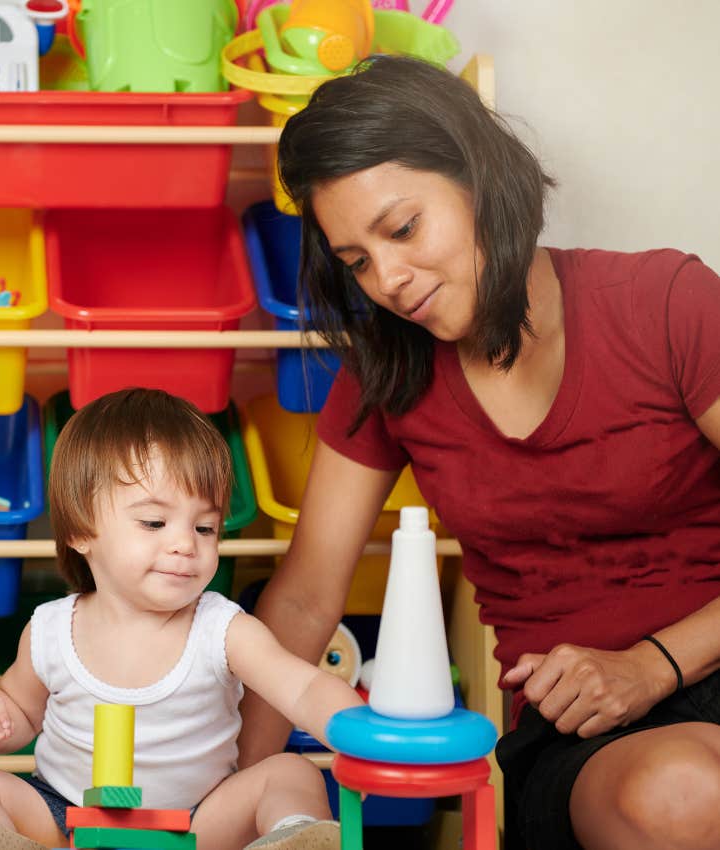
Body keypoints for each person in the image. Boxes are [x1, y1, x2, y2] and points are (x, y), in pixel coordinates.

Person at [235, 55, 720, 850]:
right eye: (357, 261)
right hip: (587, 743)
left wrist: (653, 665)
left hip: (695, 658)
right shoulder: (385, 374)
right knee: (677, 794)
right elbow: (301, 601)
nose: (388, 278)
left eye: (402, 228)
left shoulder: (668, 302)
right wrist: (229, 797)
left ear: (480, 178)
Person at [0, 388, 362, 850]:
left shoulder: (222, 629)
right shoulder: (50, 630)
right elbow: (21, 709)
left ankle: (290, 838)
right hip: (66, 820)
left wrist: (362, 729)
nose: (185, 544)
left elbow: (301, 688)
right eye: (155, 523)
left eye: (205, 527)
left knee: (291, 773)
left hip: (197, 822)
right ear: (81, 530)